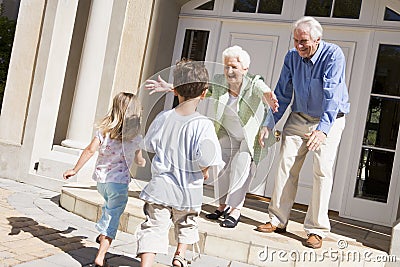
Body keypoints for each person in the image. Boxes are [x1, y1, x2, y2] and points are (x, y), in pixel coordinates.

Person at [146, 45, 279, 229]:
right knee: (220, 165)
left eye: (233, 67)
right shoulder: (219, 82)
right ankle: (222, 206)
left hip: (248, 137)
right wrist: (171, 88)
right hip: (228, 132)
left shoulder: (253, 82)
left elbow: (262, 89)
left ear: (245, 69)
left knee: (242, 166)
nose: (229, 71)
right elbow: (197, 90)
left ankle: (235, 210)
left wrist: (268, 96)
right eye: (226, 66)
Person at [256, 16, 350, 249]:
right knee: (285, 166)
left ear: (318, 39)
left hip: (330, 118)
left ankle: (316, 229)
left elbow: (332, 94)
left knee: (322, 170)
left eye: (304, 41)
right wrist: (269, 123)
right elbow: (283, 92)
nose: (298, 46)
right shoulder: (291, 57)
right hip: (299, 117)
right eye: (296, 40)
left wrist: (323, 130)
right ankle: (277, 219)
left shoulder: (333, 55)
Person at [136, 59, 224, 267]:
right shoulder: (204, 125)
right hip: (188, 190)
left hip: (161, 188)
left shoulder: (163, 118)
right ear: (204, 93)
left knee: (153, 228)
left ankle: (146, 264)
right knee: (186, 224)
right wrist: (204, 170)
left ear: (175, 91)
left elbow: (149, 145)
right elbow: (205, 157)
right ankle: (179, 256)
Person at [63, 92, 146, 267]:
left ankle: (102, 234)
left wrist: (74, 169)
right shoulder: (136, 138)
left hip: (101, 182)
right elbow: (139, 160)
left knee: (109, 210)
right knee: (113, 217)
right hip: (119, 184)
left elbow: (89, 150)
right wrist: (142, 161)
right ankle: (100, 256)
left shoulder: (104, 132)